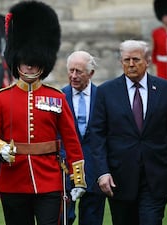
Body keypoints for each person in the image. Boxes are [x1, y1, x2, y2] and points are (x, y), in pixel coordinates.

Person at [0, 2, 86, 225]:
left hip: (49, 180)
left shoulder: (57, 97)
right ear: (17, 61)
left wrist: (78, 180)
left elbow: (71, 140)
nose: (29, 67)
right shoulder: (1, 97)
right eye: (25, 63)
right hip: (13, 180)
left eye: (34, 63)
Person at [89, 40, 167, 225]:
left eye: (136, 59)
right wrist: (102, 172)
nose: (131, 64)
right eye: (126, 60)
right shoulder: (106, 92)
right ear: (121, 62)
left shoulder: (165, 89)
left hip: (156, 175)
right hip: (119, 178)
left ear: (148, 60)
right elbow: (98, 135)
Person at [61, 51, 105, 225]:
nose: (73, 76)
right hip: (66, 171)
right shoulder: (59, 97)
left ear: (91, 73)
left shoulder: (102, 96)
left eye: (78, 71)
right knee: (65, 219)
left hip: (94, 171)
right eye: (70, 71)